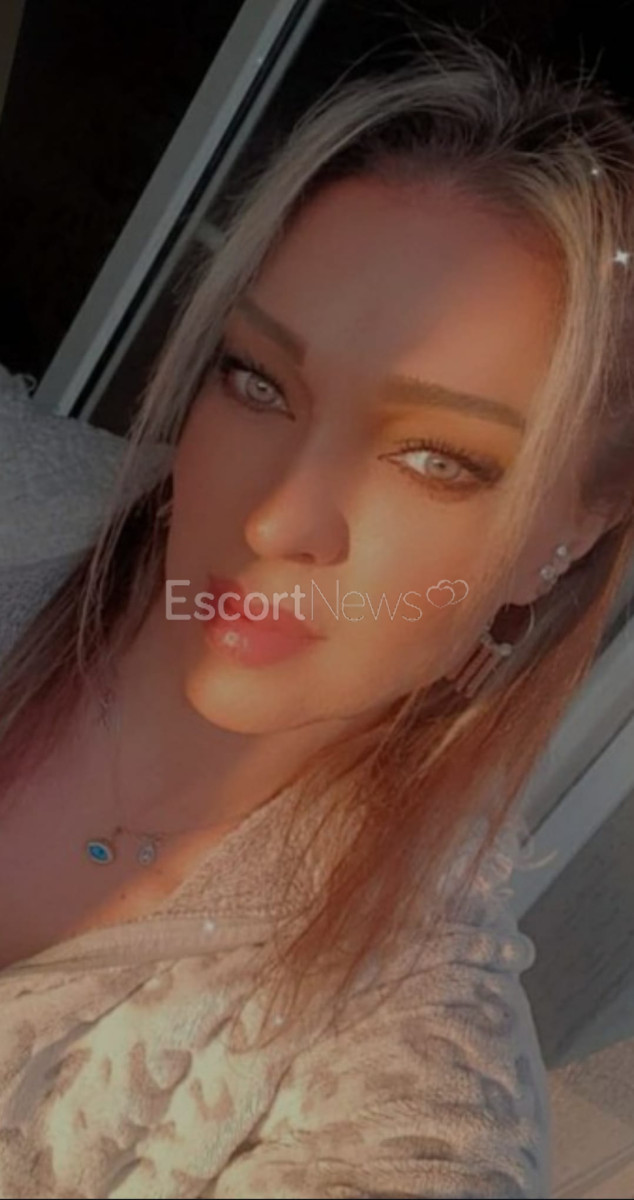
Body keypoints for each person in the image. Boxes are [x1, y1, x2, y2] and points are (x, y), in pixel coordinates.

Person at [1, 28, 633, 1199]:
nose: (279, 516)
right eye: (258, 381)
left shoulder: (399, 1074)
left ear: (576, 530)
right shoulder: (18, 499)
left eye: (437, 458)